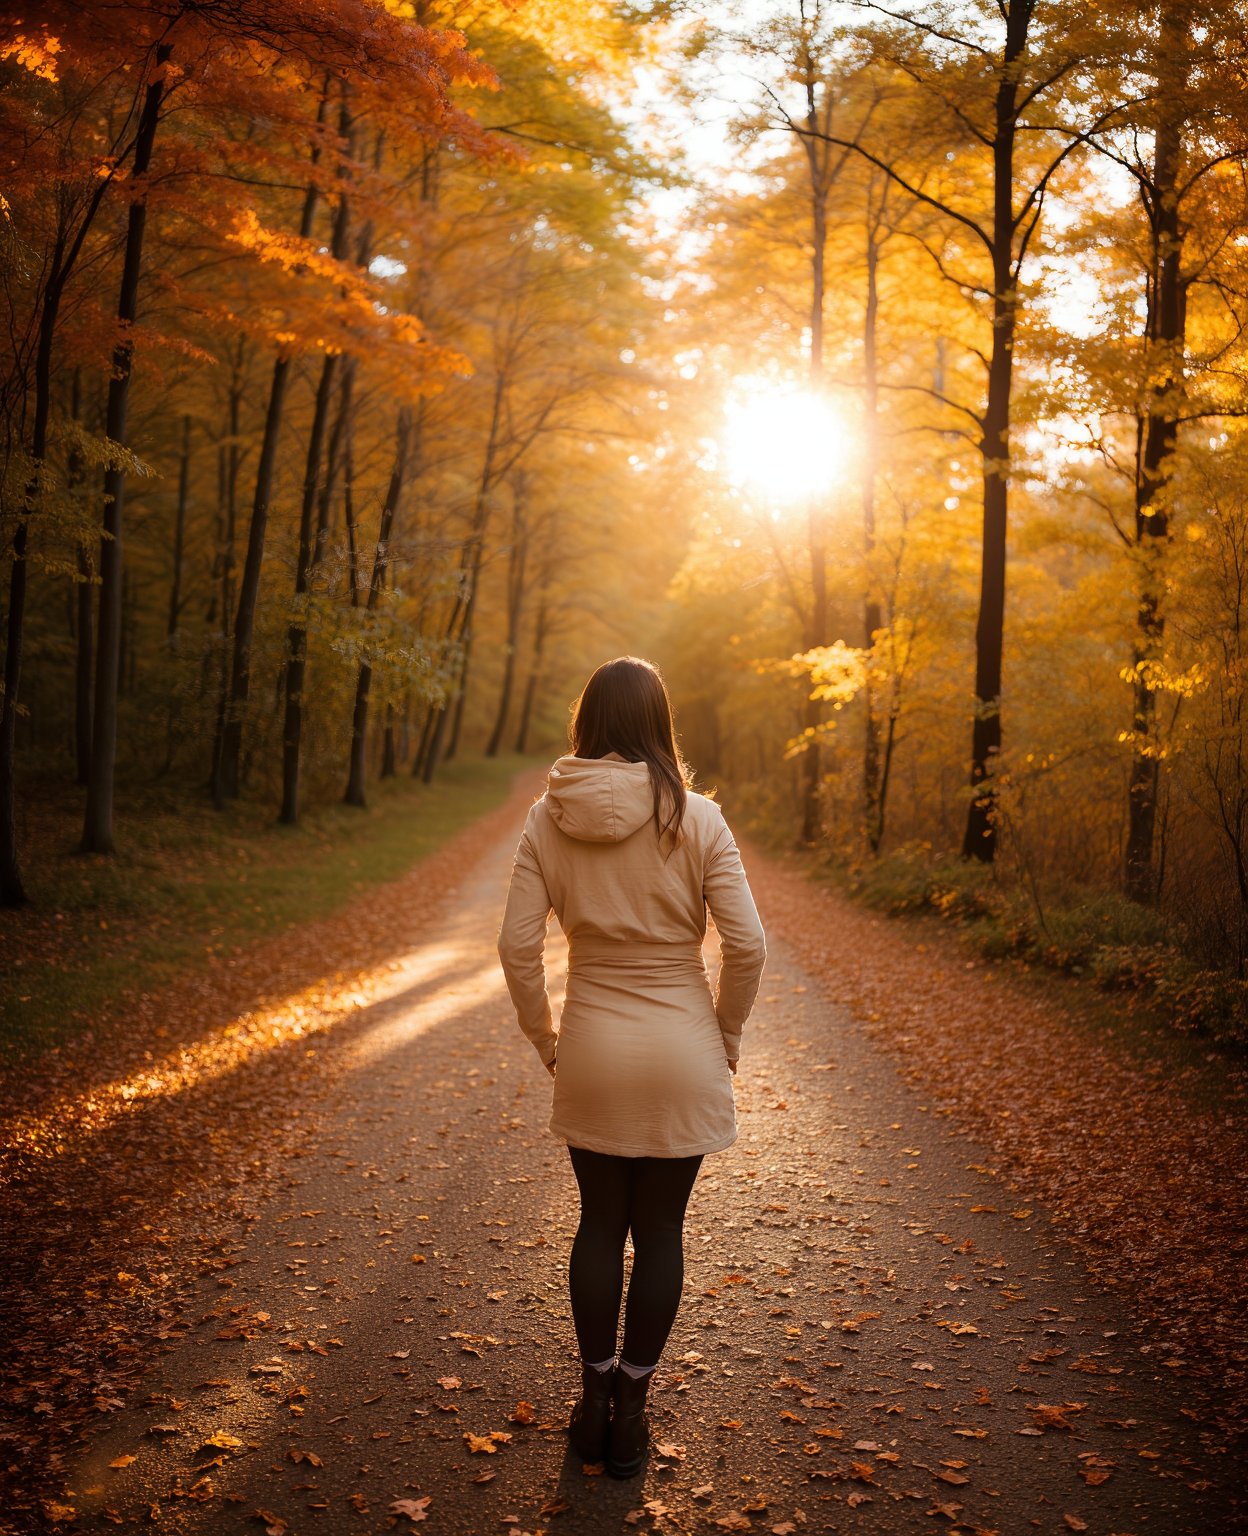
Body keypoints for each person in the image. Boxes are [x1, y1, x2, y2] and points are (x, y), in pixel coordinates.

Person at [496, 655, 767, 1478]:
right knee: (659, 1232)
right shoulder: (702, 819)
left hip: (593, 1048)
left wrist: (547, 1041)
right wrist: (724, 1036)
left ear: (587, 721)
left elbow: (516, 948)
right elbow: (748, 946)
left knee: (598, 1224)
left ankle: (592, 1401)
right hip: (684, 1045)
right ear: (659, 724)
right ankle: (633, 1412)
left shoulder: (547, 819)